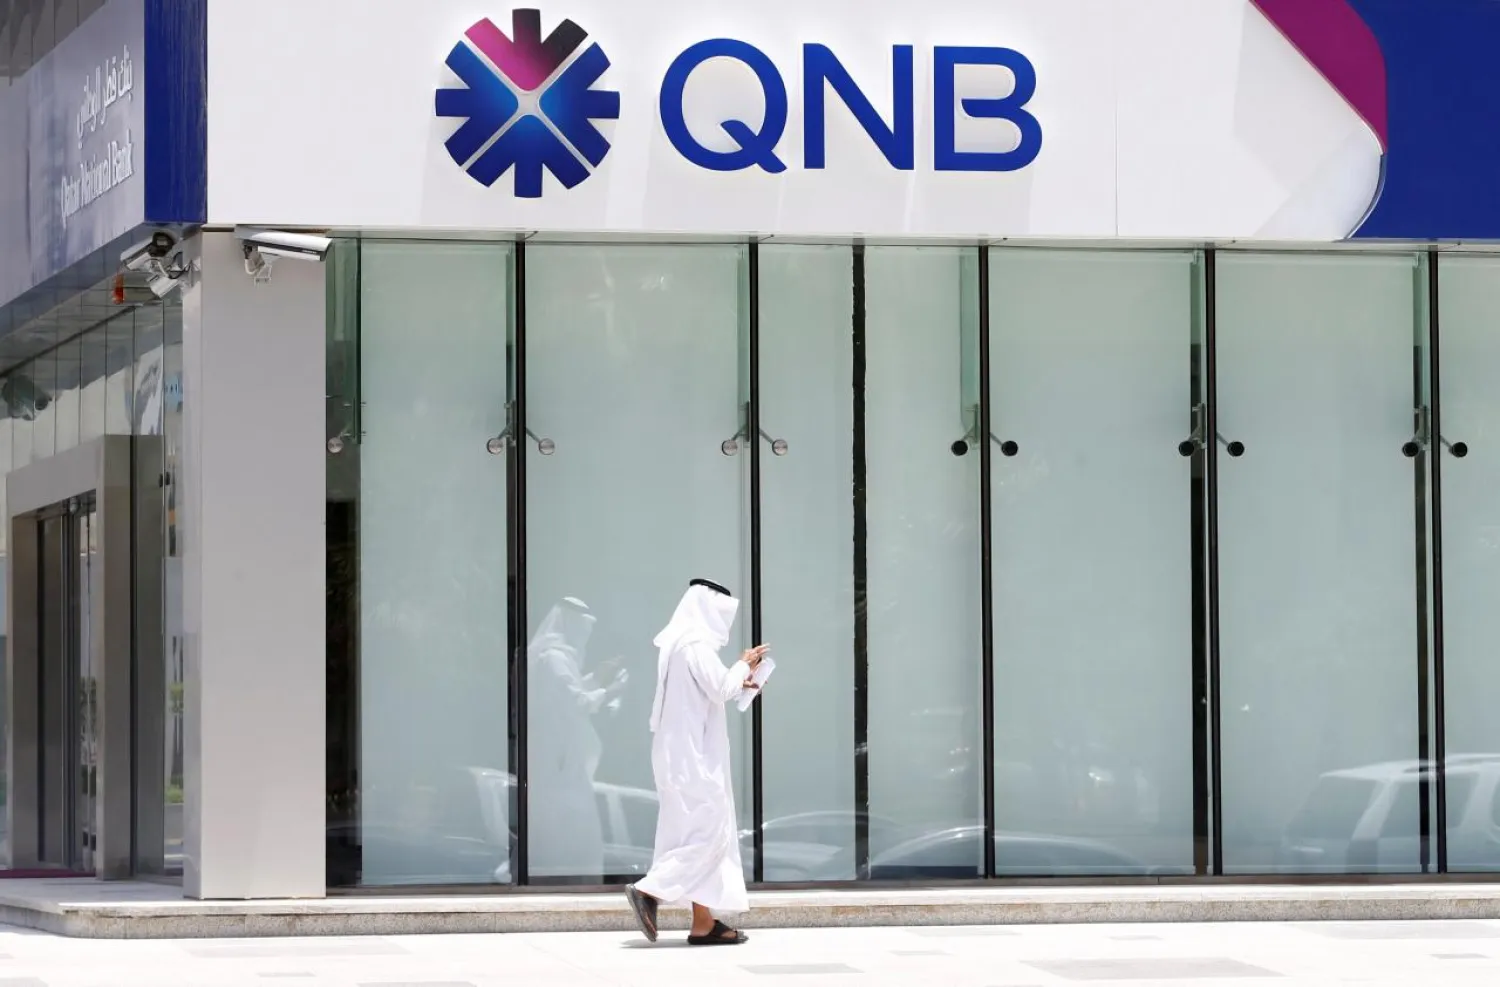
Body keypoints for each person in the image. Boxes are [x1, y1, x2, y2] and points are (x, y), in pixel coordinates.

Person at [625, 579, 769, 946]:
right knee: (711, 834)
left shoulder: (678, 645)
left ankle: (703, 922)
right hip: (693, 760)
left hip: (679, 757)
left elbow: (712, 690)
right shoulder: (694, 645)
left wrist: (743, 680)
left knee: (690, 835)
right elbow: (721, 688)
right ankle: (650, 892)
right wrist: (741, 665)